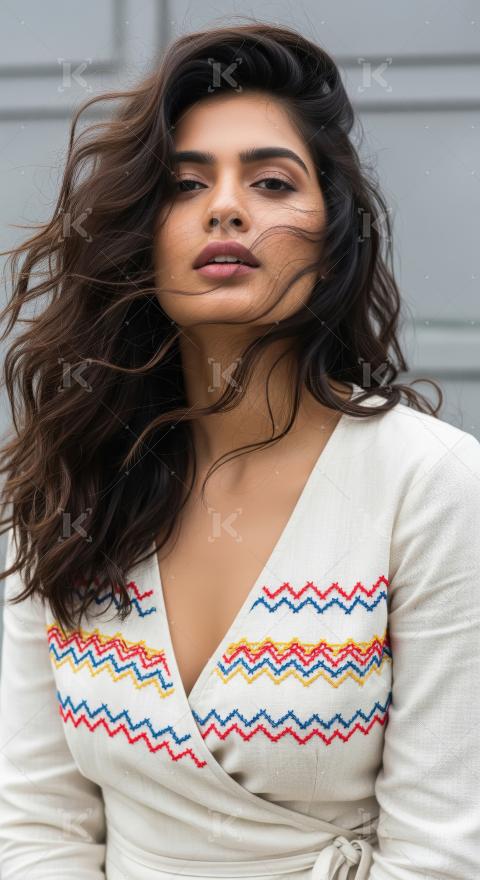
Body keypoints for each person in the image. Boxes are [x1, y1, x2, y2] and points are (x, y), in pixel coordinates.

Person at [0, 20, 479, 880]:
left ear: (333, 235)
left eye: (271, 181)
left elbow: (441, 853)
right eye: (184, 185)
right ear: (141, 236)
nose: (226, 207)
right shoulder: (61, 479)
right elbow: (33, 827)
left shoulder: (432, 483)